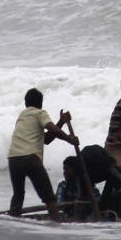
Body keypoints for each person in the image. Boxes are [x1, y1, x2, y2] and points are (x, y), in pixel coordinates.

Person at [7, 88, 78, 221]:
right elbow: (52, 129)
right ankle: (57, 226)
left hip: (13, 159)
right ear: (40, 103)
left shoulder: (22, 116)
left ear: (26, 103)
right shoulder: (39, 113)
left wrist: (61, 122)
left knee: (18, 195)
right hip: (30, 158)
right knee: (49, 197)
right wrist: (70, 139)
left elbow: (47, 139)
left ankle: (13, 223)